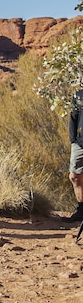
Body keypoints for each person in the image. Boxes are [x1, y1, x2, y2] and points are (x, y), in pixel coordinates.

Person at [65, 88, 83, 222]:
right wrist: (73, 140)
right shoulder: (79, 95)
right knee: (75, 176)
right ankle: (81, 210)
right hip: (80, 143)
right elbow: (73, 116)